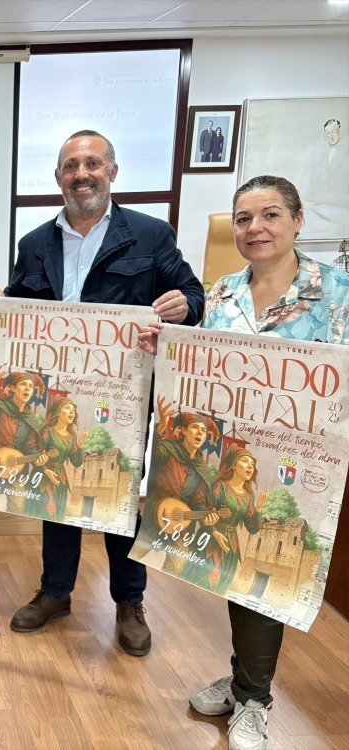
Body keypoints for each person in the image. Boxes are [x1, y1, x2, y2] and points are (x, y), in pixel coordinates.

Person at [0, 130, 206, 655]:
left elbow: (193, 295)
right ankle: (56, 591)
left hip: (122, 397)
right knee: (55, 488)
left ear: (112, 172)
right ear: (58, 176)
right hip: (55, 398)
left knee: (120, 494)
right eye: (71, 166)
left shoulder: (150, 235)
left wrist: (183, 307)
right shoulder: (34, 243)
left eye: (93, 164)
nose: (82, 174)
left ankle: (129, 602)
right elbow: (21, 308)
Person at [140, 175, 349, 750]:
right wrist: (167, 351)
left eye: (271, 215)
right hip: (234, 465)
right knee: (239, 573)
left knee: (269, 578)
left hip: (299, 467)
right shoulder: (223, 293)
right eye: (244, 218)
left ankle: (254, 699)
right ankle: (243, 682)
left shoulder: (338, 294)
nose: (256, 228)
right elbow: (207, 371)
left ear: (298, 221)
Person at [137, 403, 218, 572]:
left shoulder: (201, 468)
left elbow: (198, 501)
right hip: (153, 514)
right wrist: (161, 426)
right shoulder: (168, 449)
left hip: (179, 525)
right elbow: (154, 453)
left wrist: (207, 518)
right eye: (195, 428)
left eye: (203, 431)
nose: (199, 433)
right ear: (183, 431)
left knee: (177, 565)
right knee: (134, 554)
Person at [179, 447, 267, 594]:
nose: (250, 466)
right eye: (245, 461)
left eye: (252, 464)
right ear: (233, 465)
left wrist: (258, 509)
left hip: (230, 547)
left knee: (222, 584)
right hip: (209, 539)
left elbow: (252, 528)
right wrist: (213, 531)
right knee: (201, 579)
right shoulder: (219, 486)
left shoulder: (248, 496)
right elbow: (199, 504)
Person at [0, 366, 48, 515]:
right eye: (23, 384)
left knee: (18, 509)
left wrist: (37, 458)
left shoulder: (31, 419)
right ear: (13, 388)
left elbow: (30, 446)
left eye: (31, 387)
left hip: (16, 470)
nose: (27, 389)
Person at [38, 396, 84, 522]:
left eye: (73, 410)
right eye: (67, 408)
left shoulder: (71, 436)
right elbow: (36, 455)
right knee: (45, 511)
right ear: (58, 412)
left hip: (61, 480)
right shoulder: (47, 432)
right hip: (43, 477)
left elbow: (77, 462)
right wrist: (45, 470)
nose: (71, 412)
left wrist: (81, 446)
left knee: (58, 514)